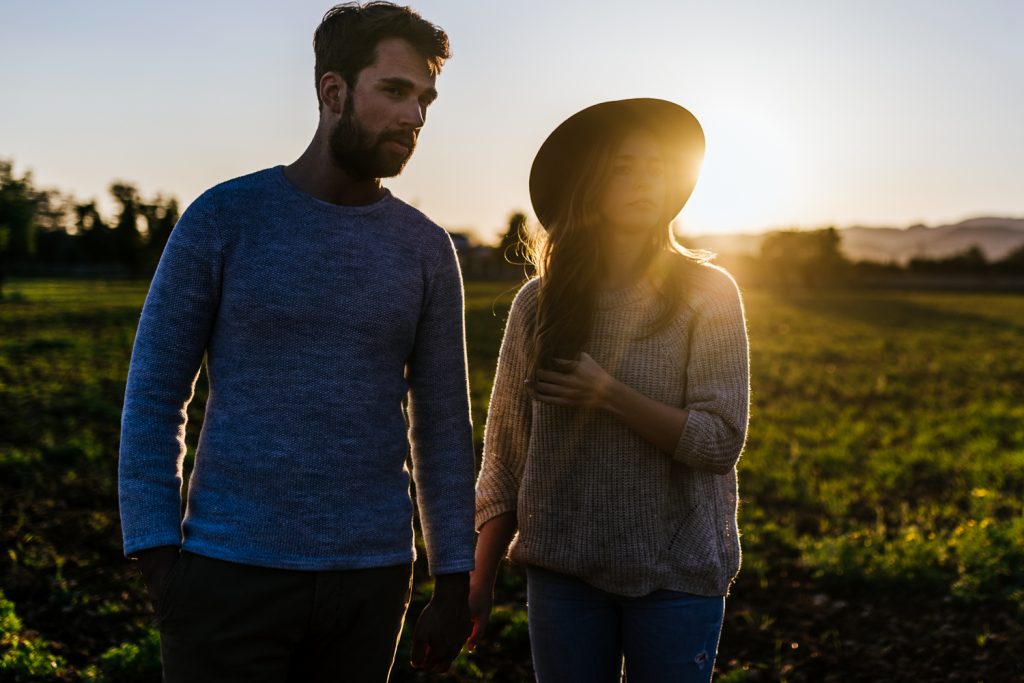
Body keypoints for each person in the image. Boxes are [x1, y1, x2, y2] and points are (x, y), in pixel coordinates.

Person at [117, 3, 475, 681]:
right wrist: (158, 554)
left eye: (425, 99)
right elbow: (156, 392)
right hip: (227, 574)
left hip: (371, 584)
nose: (416, 117)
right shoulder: (224, 219)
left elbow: (444, 426)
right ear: (333, 92)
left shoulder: (426, 250)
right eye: (395, 91)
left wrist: (452, 579)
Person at [468, 98, 751, 682]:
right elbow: (505, 457)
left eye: (657, 166)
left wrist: (610, 394)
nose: (646, 180)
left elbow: (719, 440)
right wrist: (479, 578)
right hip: (562, 574)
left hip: (677, 571)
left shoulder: (710, 292)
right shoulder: (537, 304)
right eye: (624, 166)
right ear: (588, 181)